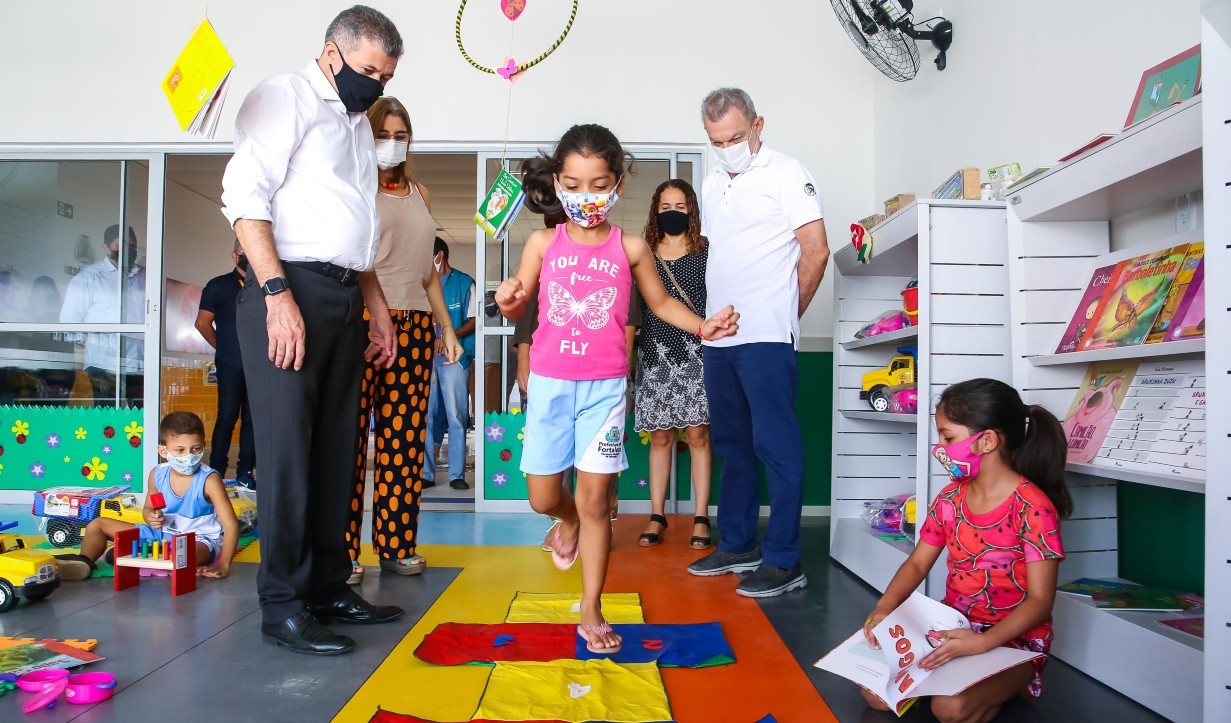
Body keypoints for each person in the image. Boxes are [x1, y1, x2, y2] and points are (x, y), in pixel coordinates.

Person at [495, 123, 739, 654]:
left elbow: (660, 304)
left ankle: (591, 609)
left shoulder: (631, 248)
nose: (588, 197)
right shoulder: (542, 242)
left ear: (619, 184)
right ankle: (565, 524)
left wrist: (703, 325)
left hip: (605, 390)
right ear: (558, 183)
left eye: (599, 184)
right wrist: (510, 298)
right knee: (543, 497)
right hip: (551, 384)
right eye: (575, 185)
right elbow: (519, 300)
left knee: (596, 499)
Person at [220, 5, 406, 656]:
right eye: (366, 72)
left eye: (384, 78)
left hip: (341, 293)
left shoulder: (355, 124)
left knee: (336, 452)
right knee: (289, 457)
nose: (374, 87)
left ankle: (329, 585)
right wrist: (276, 294)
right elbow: (244, 195)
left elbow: (353, 227)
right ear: (331, 53)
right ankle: (284, 604)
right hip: (286, 290)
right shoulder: (286, 96)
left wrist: (375, 304)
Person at [687, 88, 831, 598]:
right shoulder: (709, 181)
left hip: (767, 335)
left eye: (734, 137)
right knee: (732, 445)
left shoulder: (788, 172)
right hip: (719, 337)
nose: (726, 147)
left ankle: (785, 559)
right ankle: (738, 544)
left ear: (757, 125)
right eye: (715, 141)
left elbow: (816, 252)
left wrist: (786, 317)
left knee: (777, 447)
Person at [861, 379, 1070, 721]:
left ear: (987, 440)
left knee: (950, 708)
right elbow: (916, 565)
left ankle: (997, 685)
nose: (940, 447)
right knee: (875, 695)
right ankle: (958, 682)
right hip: (953, 628)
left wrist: (982, 644)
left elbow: (1040, 602)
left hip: (1014, 642)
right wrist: (883, 609)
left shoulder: (1033, 507)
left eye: (948, 437)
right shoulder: (948, 498)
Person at [346, 96, 463, 586]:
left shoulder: (420, 193)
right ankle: (343, 553)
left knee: (405, 443)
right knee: (351, 444)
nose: (392, 144)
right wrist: (376, 316)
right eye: (383, 134)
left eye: (400, 135)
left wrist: (448, 331)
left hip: (415, 328)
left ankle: (396, 545)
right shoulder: (352, 188)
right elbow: (352, 262)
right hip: (364, 324)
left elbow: (428, 275)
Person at [58, 412, 240, 582]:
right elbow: (148, 509)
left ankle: (137, 553)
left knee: (183, 554)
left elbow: (231, 525)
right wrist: (151, 517)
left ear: (203, 445)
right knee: (97, 525)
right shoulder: (157, 474)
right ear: (163, 451)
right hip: (160, 534)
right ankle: (83, 562)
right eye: (180, 450)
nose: (189, 456)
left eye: (195, 449)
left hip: (198, 539)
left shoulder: (210, 480)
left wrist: (224, 565)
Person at [635, 179, 713, 550]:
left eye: (680, 207)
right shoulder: (643, 253)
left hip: (697, 353)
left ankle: (700, 516)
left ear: (691, 210)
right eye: (666, 206)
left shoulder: (706, 251)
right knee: (661, 436)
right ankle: (657, 514)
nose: (672, 213)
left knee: (698, 435)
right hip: (654, 355)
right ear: (655, 210)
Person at [58, 224, 146, 407]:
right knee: (108, 420)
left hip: (139, 363)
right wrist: (94, 344)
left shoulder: (145, 277)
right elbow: (69, 321)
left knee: (140, 421)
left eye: (132, 245)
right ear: (106, 248)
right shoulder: (89, 278)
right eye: (121, 245)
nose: (128, 250)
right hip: (104, 364)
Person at [196, 240, 257, 490]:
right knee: (227, 416)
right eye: (244, 252)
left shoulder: (266, 287)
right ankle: (216, 471)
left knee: (253, 420)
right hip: (230, 363)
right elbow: (202, 323)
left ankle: (245, 473)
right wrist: (223, 348)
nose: (249, 256)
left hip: (259, 366)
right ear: (234, 255)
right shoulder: (218, 285)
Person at [423, 238, 476, 491]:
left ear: (439, 255)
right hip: (426, 359)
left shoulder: (465, 284)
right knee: (428, 417)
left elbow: (474, 321)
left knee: (457, 416)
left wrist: (448, 335)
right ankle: (426, 473)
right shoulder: (420, 284)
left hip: (456, 359)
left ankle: (457, 474)